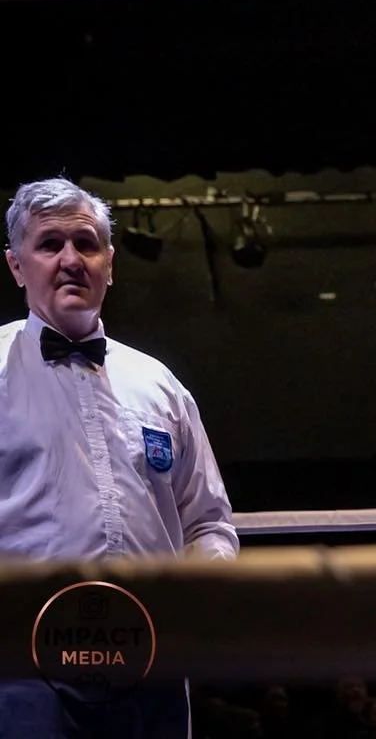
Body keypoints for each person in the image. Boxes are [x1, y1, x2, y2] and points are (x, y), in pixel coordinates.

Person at [0, 176, 238, 737]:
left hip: (152, 660)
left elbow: (208, 523)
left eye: (85, 244)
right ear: (16, 266)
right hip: (20, 662)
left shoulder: (159, 385)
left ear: (110, 261)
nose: (69, 259)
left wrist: (196, 598)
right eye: (49, 244)